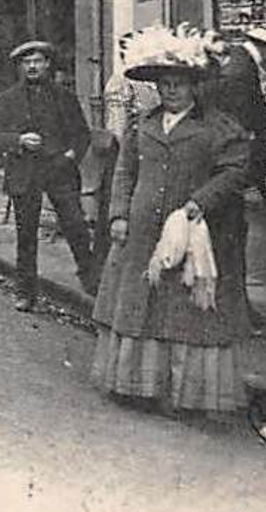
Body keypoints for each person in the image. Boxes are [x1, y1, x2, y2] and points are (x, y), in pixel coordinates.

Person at [92, 25, 250, 415]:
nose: (171, 92)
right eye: (164, 85)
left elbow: (234, 172)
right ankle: (137, 385)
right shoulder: (142, 125)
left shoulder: (218, 127)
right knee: (140, 304)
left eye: (179, 84)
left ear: (194, 86)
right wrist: (118, 215)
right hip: (143, 232)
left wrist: (200, 202)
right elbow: (125, 172)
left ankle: (187, 394)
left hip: (192, 232)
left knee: (185, 312)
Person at [201, 12, 266, 333]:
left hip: (227, 174)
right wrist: (244, 182)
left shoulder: (239, 64)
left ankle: (238, 311)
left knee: (231, 243)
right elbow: (234, 133)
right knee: (229, 244)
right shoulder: (240, 73)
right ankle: (232, 316)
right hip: (227, 175)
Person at [0, 40, 97, 311]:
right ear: (21, 67)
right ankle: (25, 291)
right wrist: (19, 140)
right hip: (24, 171)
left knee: (76, 226)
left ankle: (91, 280)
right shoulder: (7, 100)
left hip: (59, 171)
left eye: (37, 61)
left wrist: (70, 157)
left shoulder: (65, 97)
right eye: (27, 63)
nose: (32, 67)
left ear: (48, 64)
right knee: (26, 235)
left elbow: (82, 135)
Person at [98, 33, 159, 277]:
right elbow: (117, 127)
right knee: (118, 212)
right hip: (126, 155)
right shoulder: (120, 82)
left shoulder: (152, 84)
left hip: (147, 153)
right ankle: (107, 274)